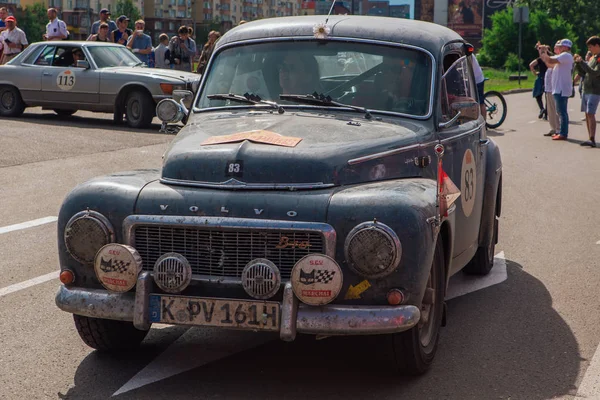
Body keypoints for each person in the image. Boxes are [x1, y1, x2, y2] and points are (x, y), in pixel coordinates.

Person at [539, 39, 574, 141]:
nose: (560, 47)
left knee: (562, 112)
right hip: (558, 88)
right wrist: (543, 52)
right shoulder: (562, 57)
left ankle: (563, 133)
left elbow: (549, 60)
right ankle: (562, 132)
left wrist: (544, 51)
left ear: (567, 47)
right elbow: (549, 64)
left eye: (561, 46)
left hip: (561, 88)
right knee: (560, 111)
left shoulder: (566, 55)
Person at [574, 36, 600, 147]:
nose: (589, 49)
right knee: (587, 113)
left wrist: (583, 63)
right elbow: (585, 73)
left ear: (597, 45)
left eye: (591, 47)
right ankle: (590, 137)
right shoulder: (592, 57)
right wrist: (578, 64)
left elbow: (595, 73)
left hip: (595, 90)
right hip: (586, 88)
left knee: (590, 113)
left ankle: (592, 138)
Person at [542, 46, 560, 137]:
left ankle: (558, 128)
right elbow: (544, 59)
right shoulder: (552, 60)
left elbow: (548, 60)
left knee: (555, 110)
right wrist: (541, 51)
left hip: (554, 89)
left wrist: (545, 52)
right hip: (548, 89)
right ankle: (553, 128)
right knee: (550, 110)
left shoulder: (557, 60)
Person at [529, 49, 548, 119]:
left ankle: (542, 109)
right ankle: (546, 113)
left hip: (540, 77)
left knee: (538, 95)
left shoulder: (540, 59)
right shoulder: (550, 59)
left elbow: (531, 65)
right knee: (547, 96)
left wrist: (534, 72)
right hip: (548, 77)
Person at [471, 54, 486, 119]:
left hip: (478, 79)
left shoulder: (469, 55)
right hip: (474, 78)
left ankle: (484, 123)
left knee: (480, 102)